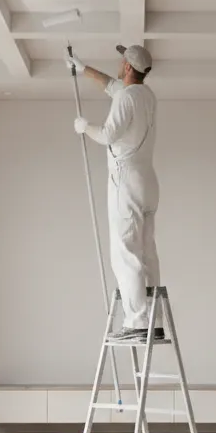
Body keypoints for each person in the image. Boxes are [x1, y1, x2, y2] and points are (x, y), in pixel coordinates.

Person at [67, 44, 163, 343]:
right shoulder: (146, 96)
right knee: (146, 253)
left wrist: (85, 128)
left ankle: (136, 322)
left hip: (127, 181)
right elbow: (113, 87)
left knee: (125, 252)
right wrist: (82, 68)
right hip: (147, 181)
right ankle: (153, 322)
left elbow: (108, 134)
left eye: (123, 61)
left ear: (127, 67)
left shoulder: (126, 97)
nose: (120, 64)